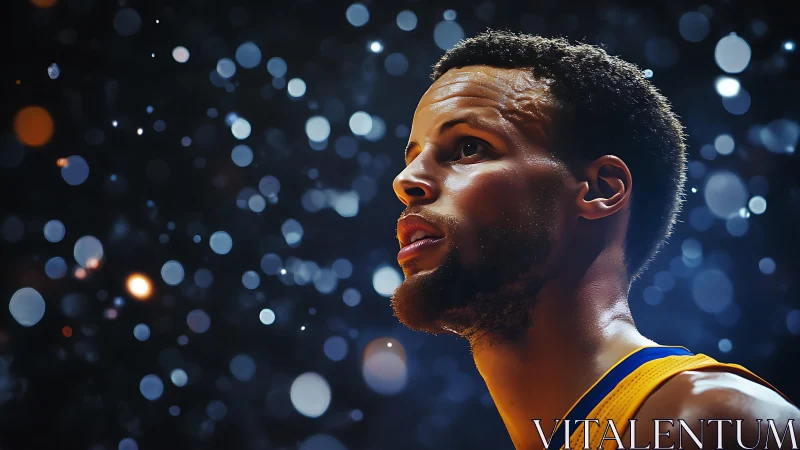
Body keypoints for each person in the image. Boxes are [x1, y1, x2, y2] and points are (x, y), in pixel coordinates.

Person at [390, 31, 798, 450]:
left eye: (468, 147)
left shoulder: (716, 422)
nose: (405, 181)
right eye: (414, 156)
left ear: (601, 189)